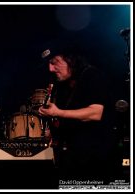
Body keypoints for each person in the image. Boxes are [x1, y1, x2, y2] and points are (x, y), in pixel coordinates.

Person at [38, 41, 119, 185]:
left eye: (54, 62)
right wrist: (51, 124)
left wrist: (58, 112)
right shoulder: (61, 84)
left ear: (70, 59)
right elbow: (63, 114)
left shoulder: (91, 75)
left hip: (94, 158)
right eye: (49, 64)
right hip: (70, 157)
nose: (50, 69)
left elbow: (95, 113)